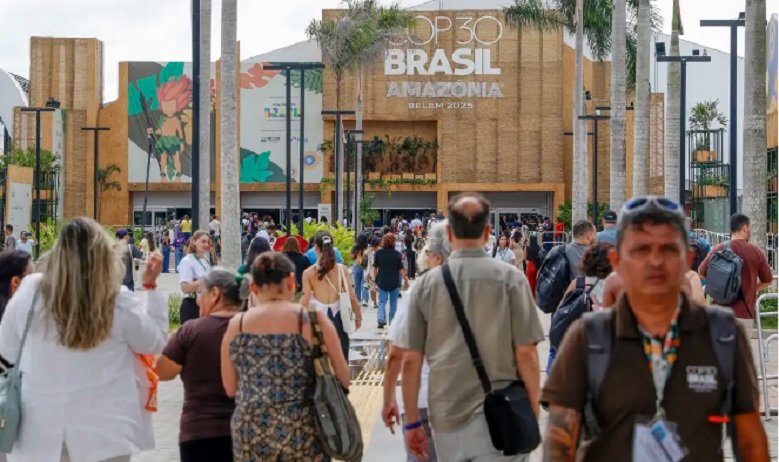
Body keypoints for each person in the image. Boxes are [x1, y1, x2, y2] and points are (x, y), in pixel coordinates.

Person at [541, 196, 769, 461]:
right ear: (617, 260)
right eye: (640, 250)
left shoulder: (723, 334)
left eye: (668, 249)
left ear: (687, 258)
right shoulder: (587, 337)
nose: (655, 261)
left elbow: (751, 443)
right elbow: (559, 446)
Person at [0, 217, 168, 462]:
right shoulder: (116, 298)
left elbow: (7, 350)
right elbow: (154, 343)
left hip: (38, 433)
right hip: (105, 433)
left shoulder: (30, 292)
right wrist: (150, 287)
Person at [397, 192, 545, 462]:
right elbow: (527, 353)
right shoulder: (511, 279)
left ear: (449, 234)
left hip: (447, 415)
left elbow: (410, 361)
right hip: (501, 413)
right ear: (487, 232)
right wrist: (533, 407)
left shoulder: (425, 287)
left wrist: (412, 422)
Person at [221, 252, 350, 461]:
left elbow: (229, 388)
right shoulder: (313, 320)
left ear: (253, 287)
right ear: (291, 281)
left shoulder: (237, 325)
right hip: (303, 428)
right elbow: (343, 377)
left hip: (251, 428)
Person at [382, 221, 450, 462]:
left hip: (424, 400)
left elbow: (399, 354)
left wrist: (389, 397)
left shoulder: (419, 293)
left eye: (429, 252)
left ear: (438, 257)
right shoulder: (487, 290)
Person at [157, 268, 240, 462]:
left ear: (215, 293)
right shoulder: (252, 327)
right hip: (245, 431)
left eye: (201, 293)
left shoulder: (191, 331)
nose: (197, 301)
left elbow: (162, 371)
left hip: (199, 432)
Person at [699, 213, 774, 339]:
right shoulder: (756, 252)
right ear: (745, 228)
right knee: (741, 351)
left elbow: (701, 272)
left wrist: (720, 287)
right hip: (744, 314)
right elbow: (767, 280)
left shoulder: (718, 249)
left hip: (718, 313)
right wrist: (751, 289)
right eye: (749, 227)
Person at [301, 231, 362, 360]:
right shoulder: (342, 269)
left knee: (319, 362)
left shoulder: (309, 273)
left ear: (316, 248)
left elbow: (305, 300)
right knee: (341, 358)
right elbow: (352, 296)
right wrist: (358, 317)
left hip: (318, 322)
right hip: (339, 320)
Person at [373, 233, 407, 328]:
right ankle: (392, 321)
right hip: (394, 281)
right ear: (394, 242)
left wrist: (375, 279)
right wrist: (406, 280)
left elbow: (375, 267)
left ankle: (381, 319)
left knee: (382, 302)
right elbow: (401, 269)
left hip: (382, 280)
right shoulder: (397, 254)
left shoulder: (379, 253)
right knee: (393, 304)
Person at [179, 230, 212, 325]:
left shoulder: (205, 261)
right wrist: (205, 280)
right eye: (203, 241)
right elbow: (185, 288)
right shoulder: (187, 261)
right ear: (194, 242)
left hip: (205, 305)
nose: (206, 244)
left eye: (208, 242)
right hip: (191, 305)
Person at [351, 234, 370, 306]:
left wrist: (357, 255)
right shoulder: (368, 247)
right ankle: (365, 299)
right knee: (364, 283)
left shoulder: (355, 247)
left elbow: (351, 257)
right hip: (366, 266)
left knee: (357, 284)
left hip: (357, 265)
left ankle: (357, 299)